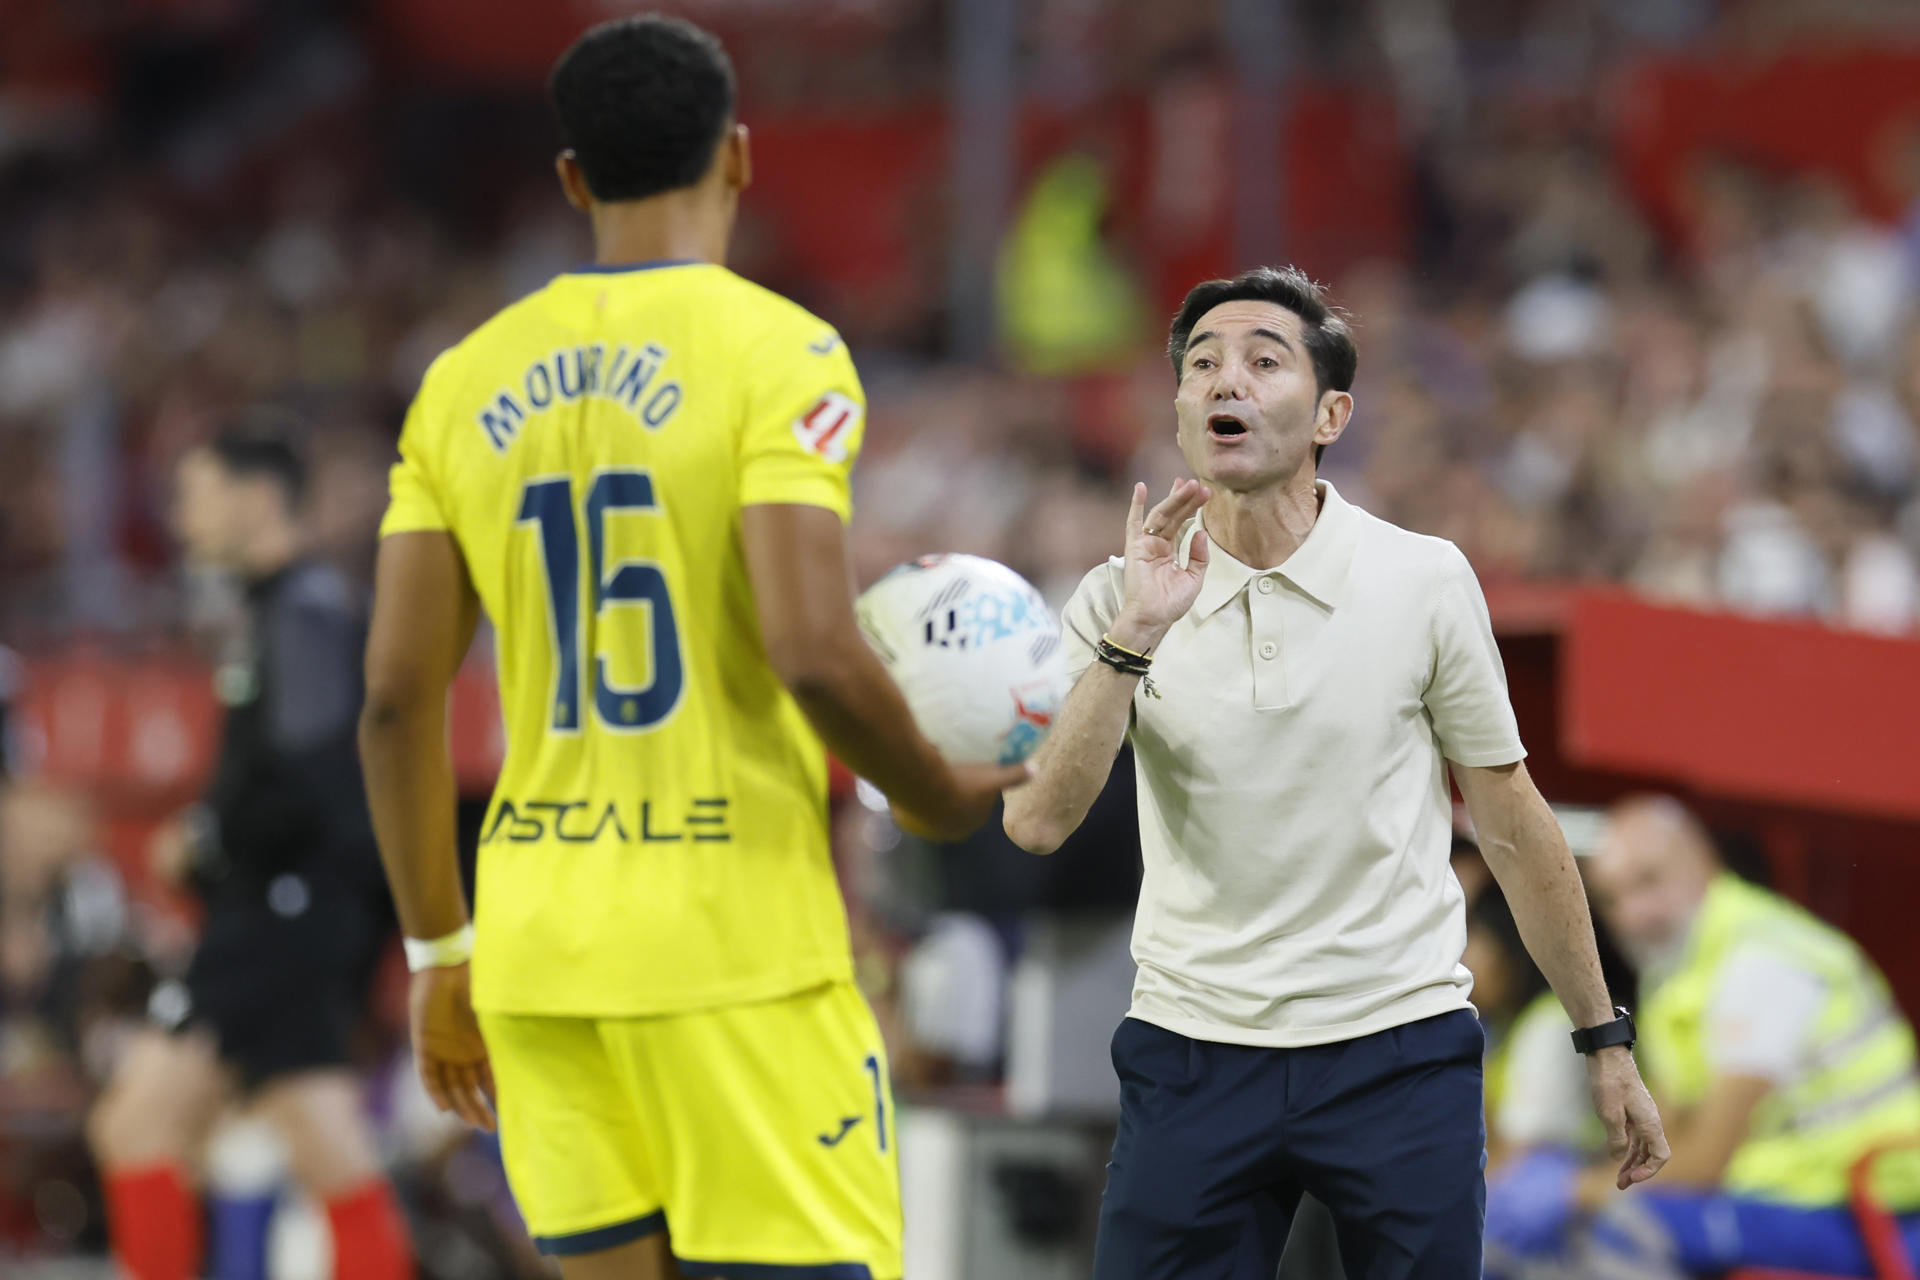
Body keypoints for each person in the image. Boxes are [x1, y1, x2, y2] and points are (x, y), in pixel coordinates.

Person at [357, 15, 1024, 1280]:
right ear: (740, 158)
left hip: (537, 954)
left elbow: (396, 698)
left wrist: (439, 952)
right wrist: (939, 798)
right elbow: (814, 649)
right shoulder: (781, 351)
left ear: (571, 180)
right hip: (735, 947)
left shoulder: (460, 380)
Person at [1002, 265, 1669, 1280]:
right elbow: (1037, 820)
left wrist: (1603, 1038)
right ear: (1180, 411)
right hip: (1193, 1047)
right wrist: (1137, 632)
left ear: (1331, 414)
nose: (1228, 379)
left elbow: (1513, 819)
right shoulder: (1115, 597)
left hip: (1396, 1047)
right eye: (1202, 364)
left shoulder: (1424, 577)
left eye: (1265, 361)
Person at [87, 428, 411, 1280]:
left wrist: (204, 838)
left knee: (134, 1126)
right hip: (299, 911)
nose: (179, 513)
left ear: (258, 497)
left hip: (279, 910)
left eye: (195, 491)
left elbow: (316, 781)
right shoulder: (291, 609)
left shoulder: (302, 612)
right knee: (325, 1138)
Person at [1544, 795, 1920, 1278]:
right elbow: (1661, 1138)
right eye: (1613, 898)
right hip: (1787, 1196)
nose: (1634, 914)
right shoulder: (1678, 973)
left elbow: (1706, 1160)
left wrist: (1572, 1190)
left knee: (1622, 1225)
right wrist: (1589, 1181)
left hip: (1866, 1210)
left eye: (1648, 881)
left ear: (1703, 863)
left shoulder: (1761, 960)